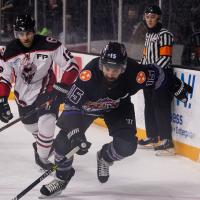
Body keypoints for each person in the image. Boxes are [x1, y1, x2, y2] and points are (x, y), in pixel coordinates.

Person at [38, 42, 192, 197]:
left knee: (127, 146)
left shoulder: (134, 73)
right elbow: (71, 107)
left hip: (117, 106)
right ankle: (61, 177)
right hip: (87, 108)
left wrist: (175, 84)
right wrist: (76, 135)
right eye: (107, 68)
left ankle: (104, 156)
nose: (111, 73)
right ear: (101, 65)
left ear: (123, 68)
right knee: (63, 142)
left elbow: (158, 74)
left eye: (116, 69)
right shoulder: (88, 76)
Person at [0, 14, 80, 170]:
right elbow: (4, 78)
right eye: (21, 34)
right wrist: (2, 100)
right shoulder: (8, 52)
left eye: (28, 33)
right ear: (16, 33)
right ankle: (44, 146)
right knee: (32, 128)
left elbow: (72, 66)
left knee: (47, 122)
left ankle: (42, 158)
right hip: (23, 96)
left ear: (34, 31)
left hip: (47, 91)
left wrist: (63, 86)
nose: (25, 37)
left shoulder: (50, 45)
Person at [138, 5, 175, 155]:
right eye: (147, 17)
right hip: (150, 76)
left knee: (161, 107)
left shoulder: (165, 34)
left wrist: (150, 72)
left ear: (158, 18)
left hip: (162, 76)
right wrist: (141, 68)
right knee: (149, 105)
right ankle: (152, 136)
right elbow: (146, 56)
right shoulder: (148, 34)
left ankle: (167, 142)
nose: (150, 19)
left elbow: (165, 59)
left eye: (153, 17)